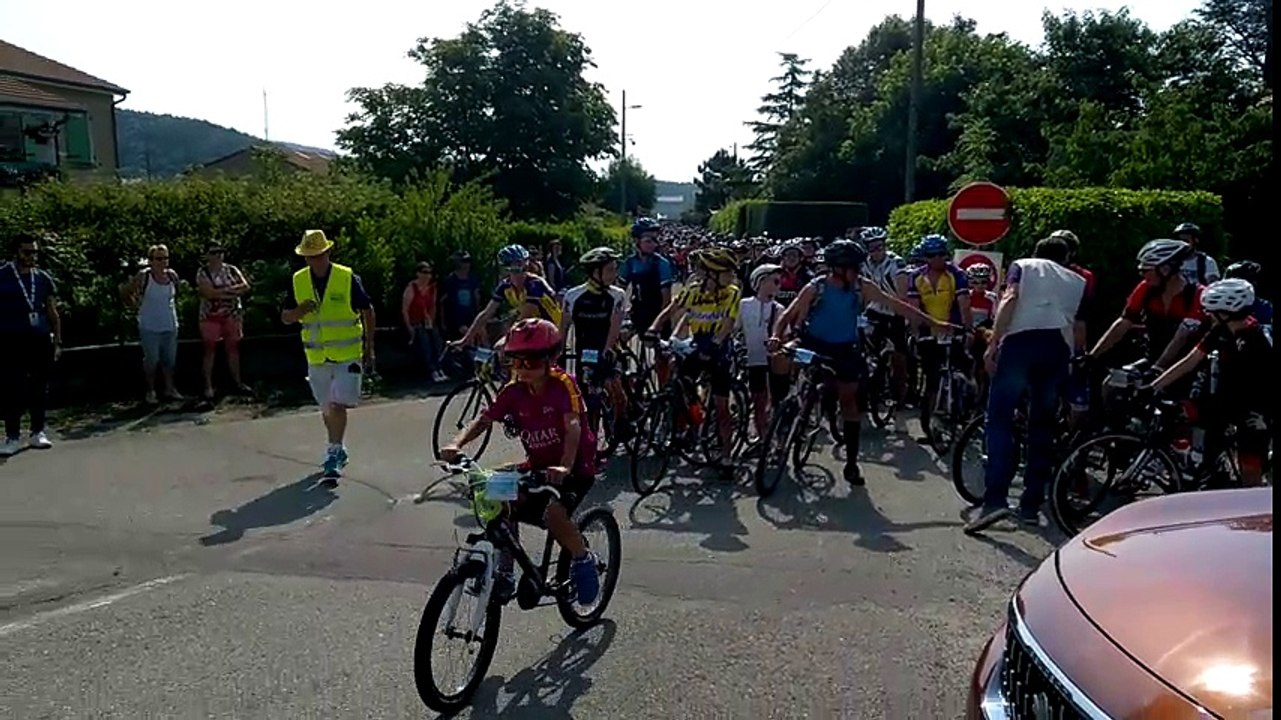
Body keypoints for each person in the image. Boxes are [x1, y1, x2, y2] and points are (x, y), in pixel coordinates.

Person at [440, 318, 600, 606]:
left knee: (553, 515)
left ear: (552, 357)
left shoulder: (564, 384)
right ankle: (505, 571)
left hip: (575, 467)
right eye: (517, 360)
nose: (524, 368)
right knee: (494, 491)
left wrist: (564, 467)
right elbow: (483, 419)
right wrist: (456, 444)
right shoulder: (513, 390)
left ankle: (583, 558)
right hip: (538, 466)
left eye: (533, 360)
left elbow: (573, 426)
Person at [771, 240, 947, 485]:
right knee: (782, 359)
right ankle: (786, 410)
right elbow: (788, 314)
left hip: (844, 349)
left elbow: (897, 305)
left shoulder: (861, 287)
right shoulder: (816, 287)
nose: (859, 271)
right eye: (854, 267)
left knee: (849, 402)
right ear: (840, 269)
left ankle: (852, 464)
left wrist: (933, 323)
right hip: (813, 342)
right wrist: (775, 336)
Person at [965, 236, 1086, 533]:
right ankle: (1031, 505)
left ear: (1036, 251)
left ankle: (994, 502)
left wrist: (993, 344)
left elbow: (1010, 298)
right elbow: (1078, 327)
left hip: (1020, 342)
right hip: (1056, 347)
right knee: (1041, 426)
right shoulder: (1076, 280)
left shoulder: (1024, 266)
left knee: (1000, 420)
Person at [1148, 279, 1272, 487]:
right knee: (1190, 422)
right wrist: (1153, 386)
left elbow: (1251, 390)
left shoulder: (1255, 341)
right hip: (1229, 398)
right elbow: (1190, 360)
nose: (1207, 315)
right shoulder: (1220, 330)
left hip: (1255, 406)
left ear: (1225, 313)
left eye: (1210, 311)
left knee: (1249, 473)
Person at [280, 230, 376, 481]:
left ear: (327, 253)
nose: (315, 260)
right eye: (310, 257)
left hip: (347, 354)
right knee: (326, 407)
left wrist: (369, 347)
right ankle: (338, 447)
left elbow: (367, 309)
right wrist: (299, 310)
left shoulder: (346, 277)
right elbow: (286, 317)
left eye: (319, 255)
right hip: (316, 356)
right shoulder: (298, 280)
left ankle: (333, 453)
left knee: (337, 404)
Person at [648, 247, 741, 466]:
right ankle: (694, 422)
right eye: (726, 273)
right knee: (682, 383)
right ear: (711, 275)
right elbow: (671, 309)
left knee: (721, 408)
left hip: (719, 347)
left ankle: (727, 456)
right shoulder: (693, 291)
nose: (731, 277)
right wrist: (653, 329)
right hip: (698, 341)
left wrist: (715, 344)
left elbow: (728, 324)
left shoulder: (732, 292)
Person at [1089, 239, 1204, 370]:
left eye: (1146, 270)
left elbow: (1181, 338)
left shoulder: (1197, 294)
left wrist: (1157, 369)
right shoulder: (1146, 289)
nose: (1142, 275)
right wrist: (1092, 356)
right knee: (1112, 383)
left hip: (1186, 365)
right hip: (1153, 359)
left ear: (1165, 269)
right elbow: (1123, 323)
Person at [1, 233, 61, 456]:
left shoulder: (43, 278)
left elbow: (53, 311)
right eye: (27, 252)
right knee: (12, 389)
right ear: (16, 252)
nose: (31, 256)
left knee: (39, 387)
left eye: (35, 252)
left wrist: (58, 340)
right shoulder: (3, 276)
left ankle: (38, 431)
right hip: (10, 340)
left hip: (39, 339)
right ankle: (12, 436)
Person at [561, 246, 628, 435]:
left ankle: (622, 420)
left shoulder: (617, 295)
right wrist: (559, 353)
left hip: (608, 348)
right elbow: (564, 327)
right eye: (610, 270)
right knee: (587, 398)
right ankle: (590, 439)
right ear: (594, 272)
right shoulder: (573, 296)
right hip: (585, 352)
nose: (614, 274)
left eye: (615, 269)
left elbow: (614, 327)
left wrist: (607, 349)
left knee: (617, 394)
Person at [457, 245, 561, 348]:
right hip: (533, 327)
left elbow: (526, 315)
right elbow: (486, 314)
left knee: (502, 347)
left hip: (551, 328)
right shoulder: (505, 286)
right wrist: (465, 340)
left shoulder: (535, 284)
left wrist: (506, 339)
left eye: (521, 265)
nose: (519, 273)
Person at [122, 244, 184, 403]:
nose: (162, 262)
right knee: (152, 359)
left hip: (169, 323)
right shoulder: (144, 276)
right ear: (150, 261)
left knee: (169, 359)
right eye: (158, 259)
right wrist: (135, 306)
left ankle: (170, 388)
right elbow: (126, 291)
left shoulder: (172, 276)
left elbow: (175, 295)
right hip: (149, 325)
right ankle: (150, 391)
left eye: (165, 258)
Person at [737, 263, 786, 444]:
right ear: (760, 281)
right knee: (757, 399)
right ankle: (761, 436)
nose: (778, 285)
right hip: (752, 358)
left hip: (772, 360)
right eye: (774, 281)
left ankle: (775, 436)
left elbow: (783, 333)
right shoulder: (743, 305)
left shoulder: (779, 309)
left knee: (774, 399)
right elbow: (735, 328)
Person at [196, 244, 252, 399]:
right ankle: (208, 386)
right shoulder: (203, 272)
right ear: (207, 256)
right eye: (214, 252)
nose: (218, 255)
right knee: (209, 350)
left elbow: (245, 286)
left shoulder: (231, 270)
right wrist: (231, 292)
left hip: (232, 315)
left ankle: (238, 382)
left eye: (221, 252)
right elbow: (208, 293)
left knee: (233, 348)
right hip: (210, 317)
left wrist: (222, 293)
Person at [402, 261, 446, 383]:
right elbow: (405, 309)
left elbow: (433, 306)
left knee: (437, 341)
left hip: (428, 321)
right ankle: (432, 370)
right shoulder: (412, 288)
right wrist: (409, 327)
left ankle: (439, 367)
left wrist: (431, 320)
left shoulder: (432, 288)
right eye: (424, 272)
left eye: (429, 273)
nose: (427, 276)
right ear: (418, 274)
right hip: (415, 321)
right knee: (424, 341)